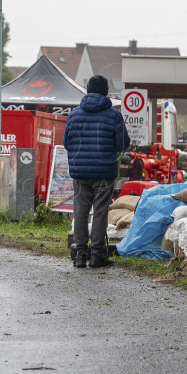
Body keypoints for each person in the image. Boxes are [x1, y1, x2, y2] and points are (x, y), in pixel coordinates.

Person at [63, 75, 130, 268]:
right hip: (104, 172)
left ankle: (80, 254)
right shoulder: (113, 115)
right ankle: (96, 256)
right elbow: (123, 144)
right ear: (106, 92)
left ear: (87, 90)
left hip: (80, 172)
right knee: (100, 213)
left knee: (80, 212)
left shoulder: (74, 114)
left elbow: (67, 143)